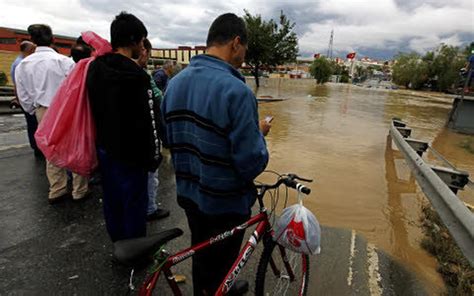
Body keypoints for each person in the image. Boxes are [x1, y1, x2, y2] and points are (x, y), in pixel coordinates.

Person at [161, 13, 271, 295]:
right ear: (236, 43)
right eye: (244, 49)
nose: (244, 56)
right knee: (222, 259)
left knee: (202, 253)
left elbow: (169, 137)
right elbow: (250, 162)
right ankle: (220, 288)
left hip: (188, 191)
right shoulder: (237, 91)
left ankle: (212, 289)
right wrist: (258, 134)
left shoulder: (173, 84)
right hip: (224, 202)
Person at [87, 12, 162, 242]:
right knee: (134, 204)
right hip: (133, 154)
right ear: (132, 41)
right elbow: (148, 121)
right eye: (141, 40)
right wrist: (154, 155)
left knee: (112, 199)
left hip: (106, 148)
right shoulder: (136, 76)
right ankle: (136, 251)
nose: (142, 45)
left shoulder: (95, 69)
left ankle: (118, 243)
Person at [15, 24, 89, 203]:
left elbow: (23, 94)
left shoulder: (23, 65)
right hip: (66, 108)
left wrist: (33, 109)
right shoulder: (64, 62)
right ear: (53, 39)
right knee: (75, 146)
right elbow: (77, 87)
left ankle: (57, 188)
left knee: (51, 149)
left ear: (32, 41)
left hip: (43, 109)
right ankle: (79, 190)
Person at [136, 38, 170, 221]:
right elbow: (156, 100)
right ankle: (149, 209)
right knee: (150, 177)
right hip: (146, 138)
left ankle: (145, 207)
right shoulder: (141, 76)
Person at [10, 41, 42, 157]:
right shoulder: (21, 64)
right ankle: (37, 148)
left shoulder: (20, 62)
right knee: (33, 124)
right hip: (28, 100)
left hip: (28, 99)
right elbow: (18, 85)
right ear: (28, 50)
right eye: (33, 48)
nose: (35, 51)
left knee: (33, 124)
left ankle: (37, 147)